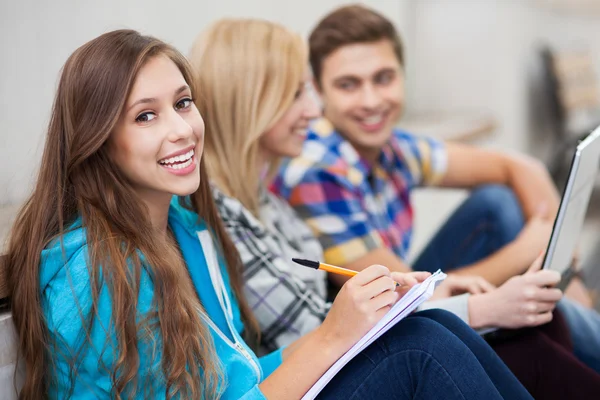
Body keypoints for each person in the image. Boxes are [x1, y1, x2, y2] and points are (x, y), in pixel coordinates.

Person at [3, 29, 532, 400]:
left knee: (426, 327)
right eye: (146, 116)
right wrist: (332, 336)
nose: (182, 129)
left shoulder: (186, 229)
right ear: (97, 141)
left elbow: (243, 375)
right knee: (422, 350)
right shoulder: (91, 271)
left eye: (183, 103)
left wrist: (364, 317)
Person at [188, 17, 600, 398]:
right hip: (323, 366)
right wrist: (524, 255)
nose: (313, 110)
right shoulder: (307, 176)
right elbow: (325, 330)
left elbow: (516, 166)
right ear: (250, 105)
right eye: (302, 93)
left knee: (506, 235)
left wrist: (562, 271)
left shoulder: (273, 196)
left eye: (384, 78)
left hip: (345, 337)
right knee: (455, 331)